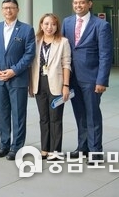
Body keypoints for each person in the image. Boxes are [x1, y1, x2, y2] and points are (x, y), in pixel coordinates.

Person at [62, 0, 112, 162]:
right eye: (75, 3)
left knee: (92, 115)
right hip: (72, 77)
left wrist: (102, 80)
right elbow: (62, 49)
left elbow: (105, 55)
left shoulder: (101, 25)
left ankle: (95, 150)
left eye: (82, 2)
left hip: (91, 78)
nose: (78, 5)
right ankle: (82, 146)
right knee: (79, 114)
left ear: (89, 4)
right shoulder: (67, 22)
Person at [0, 0, 35, 161]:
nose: (8, 11)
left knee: (18, 114)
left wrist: (14, 71)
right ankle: (4, 144)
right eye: (5, 8)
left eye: (11, 8)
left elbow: (29, 54)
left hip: (18, 79)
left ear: (17, 9)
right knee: (3, 113)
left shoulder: (26, 30)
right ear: (2, 10)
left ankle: (17, 147)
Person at [29, 13, 71, 161]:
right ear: (41, 25)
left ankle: (56, 150)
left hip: (57, 84)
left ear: (57, 26)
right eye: (46, 24)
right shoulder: (35, 41)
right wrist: (30, 85)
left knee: (56, 119)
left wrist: (66, 85)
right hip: (39, 83)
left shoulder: (63, 42)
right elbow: (31, 64)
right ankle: (45, 149)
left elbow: (66, 64)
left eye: (53, 24)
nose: (49, 27)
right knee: (43, 118)